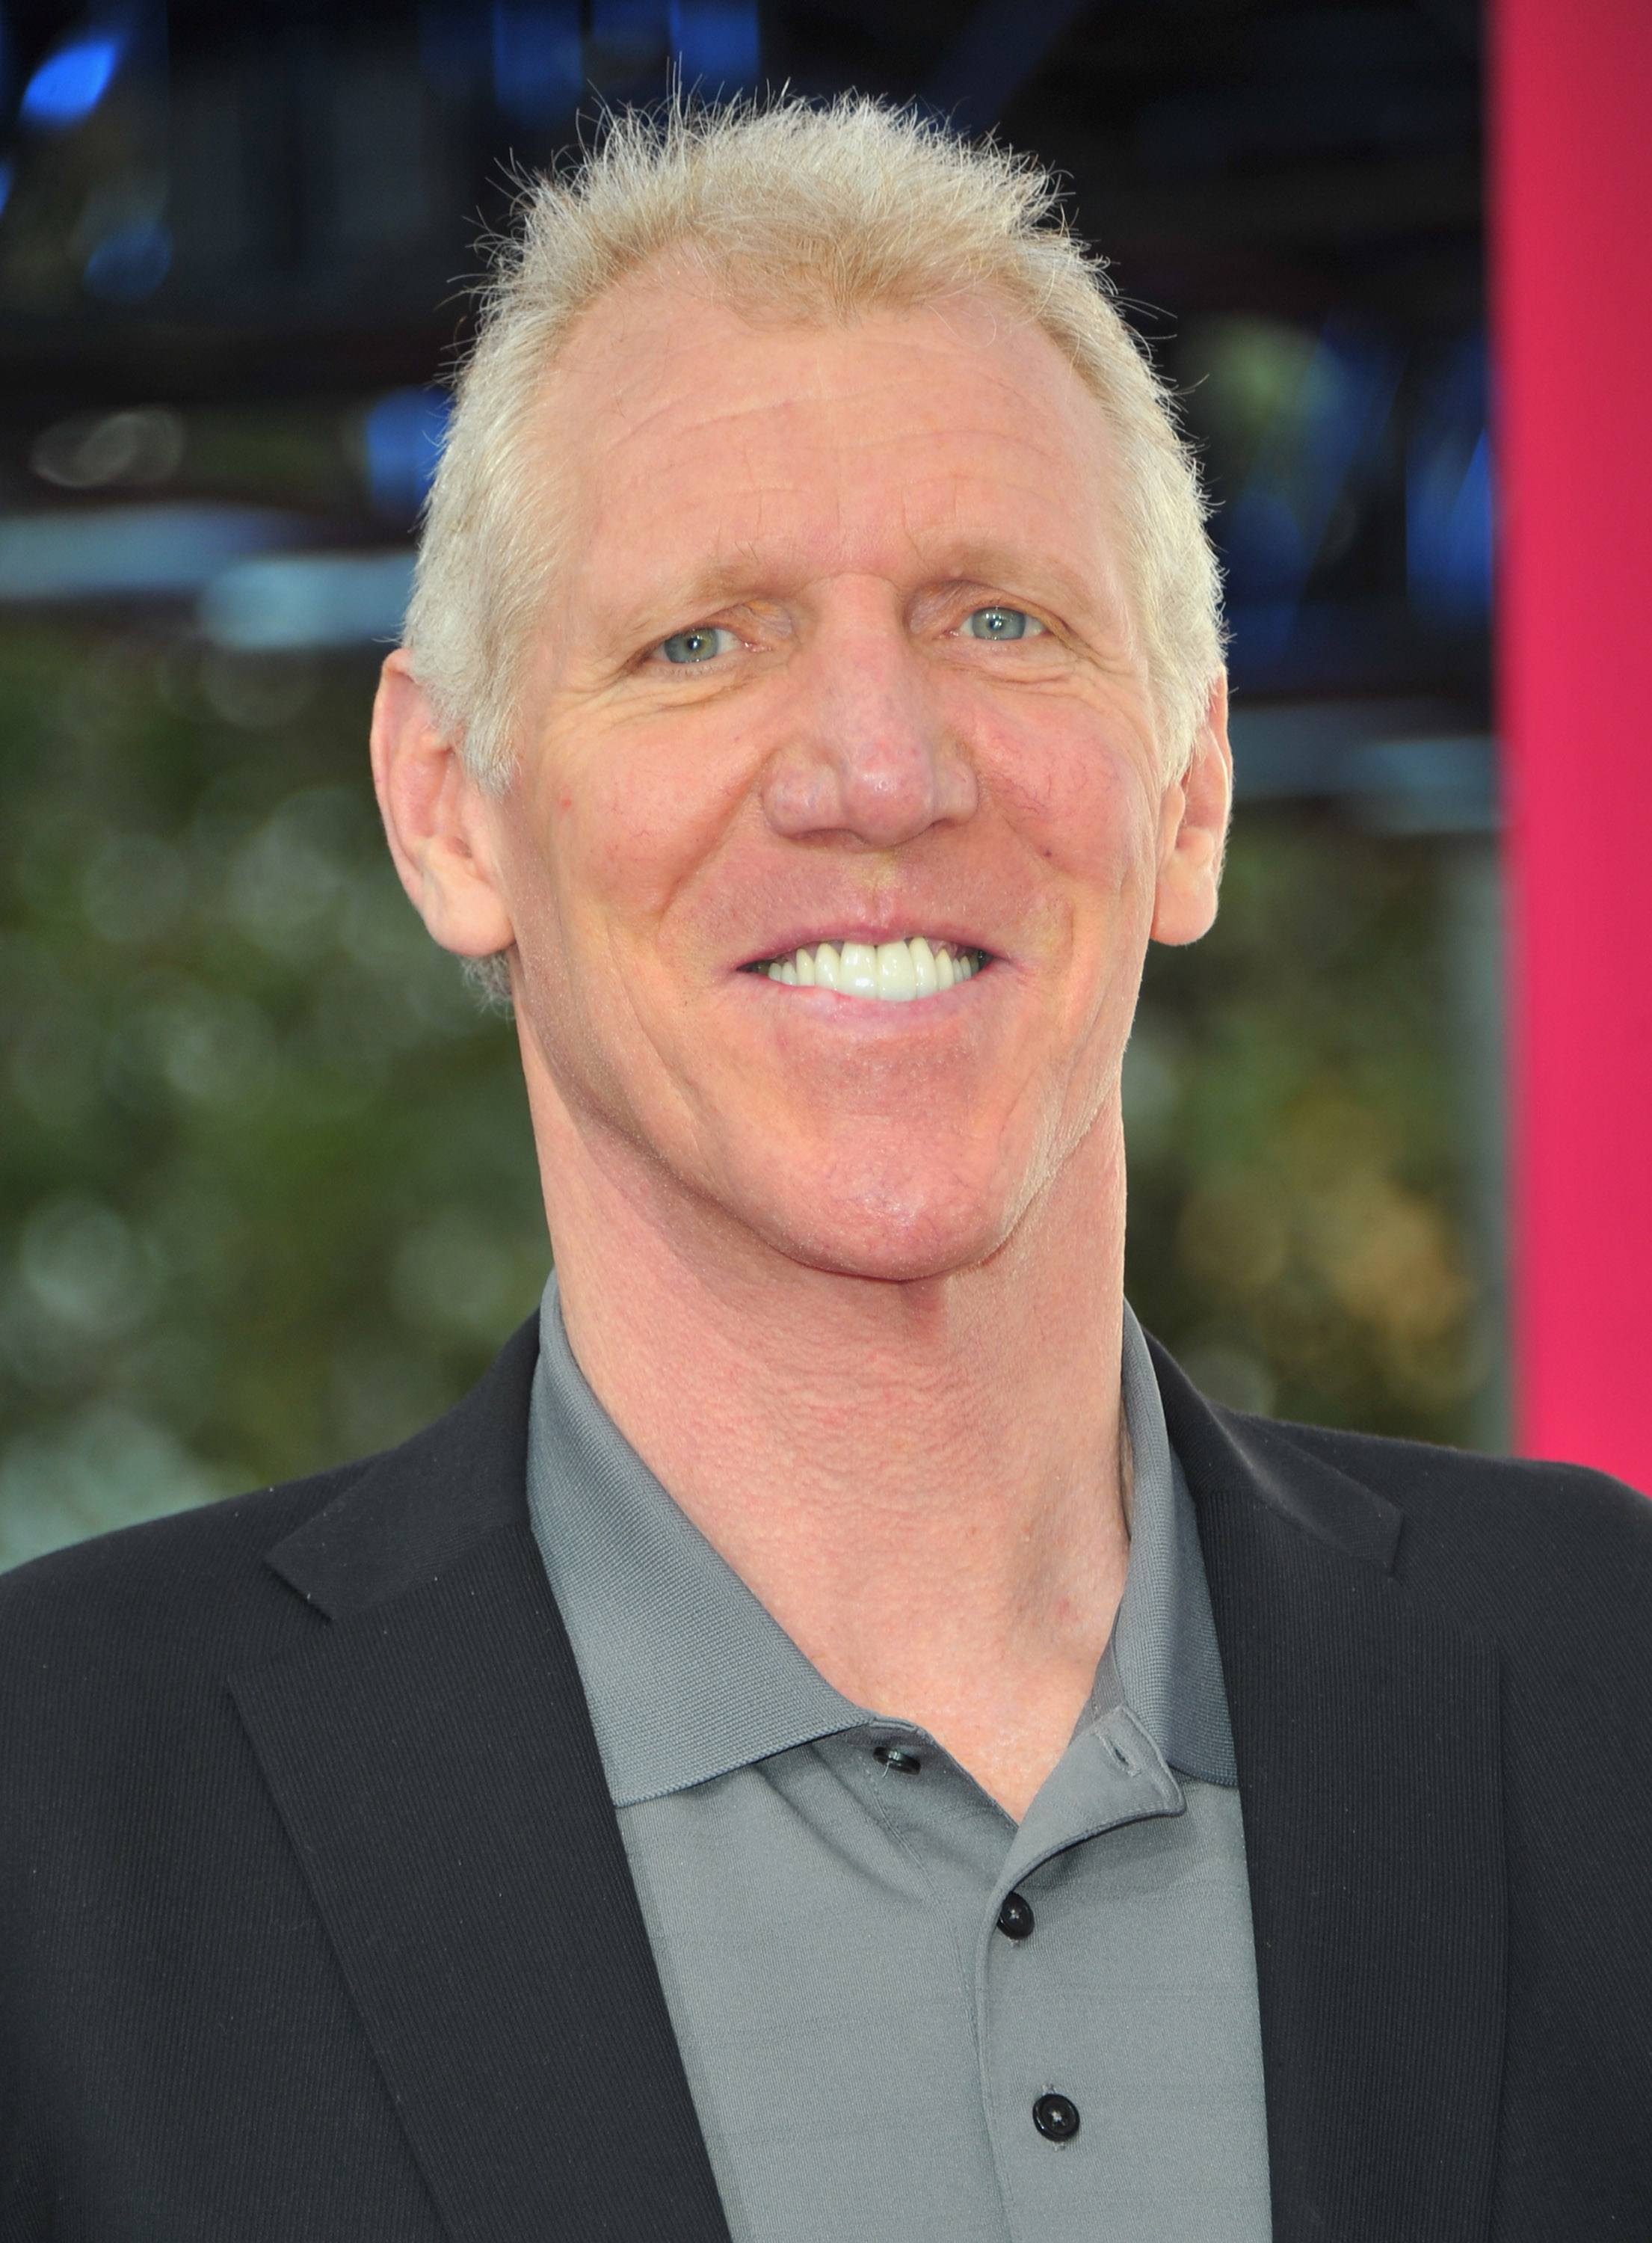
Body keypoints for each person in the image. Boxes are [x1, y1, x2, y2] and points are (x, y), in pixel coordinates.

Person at [1, 97, 1648, 2243]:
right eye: (703, 637)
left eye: (998, 621)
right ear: (447, 812)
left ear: (1194, 790)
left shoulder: (1609, 1691)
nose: (877, 768)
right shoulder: (56, 1822)